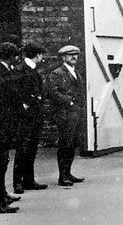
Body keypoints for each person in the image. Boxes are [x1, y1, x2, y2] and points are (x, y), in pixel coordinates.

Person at [46, 44, 87, 187]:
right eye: (70, 55)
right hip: (64, 114)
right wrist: (69, 102)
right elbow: (53, 93)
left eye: (76, 55)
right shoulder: (57, 73)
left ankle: (68, 173)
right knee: (65, 144)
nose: (74, 57)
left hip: (75, 114)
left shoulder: (77, 73)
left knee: (73, 143)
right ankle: (62, 176)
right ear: (64, 57)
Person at [13, 43, 47, 194]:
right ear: (38, 54)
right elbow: (19, 92)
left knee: (31, 148)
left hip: (34, 114)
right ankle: (18, 182)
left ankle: (28, 180)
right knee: (23, 148)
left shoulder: (30, 69)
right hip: (27, 115)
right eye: (42, 54)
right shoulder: (23, 69)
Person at [0, 41, 20, 211]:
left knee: (4, 159)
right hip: (2, 122)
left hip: (5, 122)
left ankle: (3, 194)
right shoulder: (2, 71)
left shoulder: (6, 69)